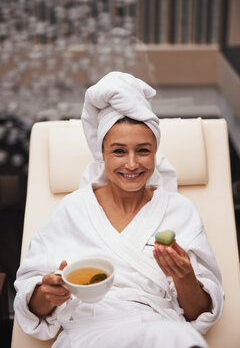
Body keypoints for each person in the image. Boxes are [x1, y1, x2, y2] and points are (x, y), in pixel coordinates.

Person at [14, 72, 224, 348]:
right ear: (102, 154)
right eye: (119, 151)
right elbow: (32, 307)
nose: (133, 163)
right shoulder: (73, 209)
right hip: (87, 334)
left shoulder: (180, 210)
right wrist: (46, 293)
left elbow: (200, 314)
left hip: (158, 330)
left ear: (155, 151)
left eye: (143, 150)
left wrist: (185, 278)